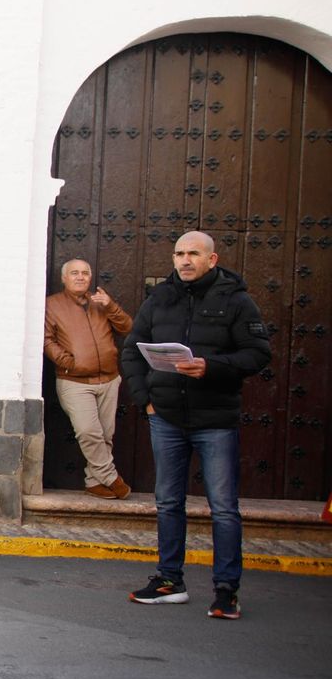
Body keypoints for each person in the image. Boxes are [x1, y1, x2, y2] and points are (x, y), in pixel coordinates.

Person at [122, 231, 271, 620]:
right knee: (168, 502)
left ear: (212, 259)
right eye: (178, 253)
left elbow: (258, 353)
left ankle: (226, 591)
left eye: (193, 254)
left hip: (215, 421)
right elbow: (132, 350)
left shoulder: (236, 301)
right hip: (166, 418)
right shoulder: (159, 300)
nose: (184, 260)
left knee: (223, 508)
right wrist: (147, 401)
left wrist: (212, 366)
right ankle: (170, 581)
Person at [44, 258, 134, 499]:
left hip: (109, 379)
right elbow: (46, 339)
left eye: (85, 273)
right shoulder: (51, 305)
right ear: (64, 278)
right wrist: (69, 362)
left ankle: (94, 481)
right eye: (74, 273)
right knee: (87, 431)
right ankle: (110, 477)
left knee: (105, 434)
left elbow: (128, 328)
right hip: (75, 382)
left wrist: (110, 306)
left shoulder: (100, 303)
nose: (80, 277)